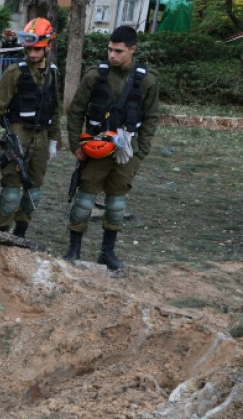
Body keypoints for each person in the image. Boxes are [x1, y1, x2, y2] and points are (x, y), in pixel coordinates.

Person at [63, 25, 160, 271]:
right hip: (94, 149)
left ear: (132, 50)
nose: (112, 55)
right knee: (84, 201)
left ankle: (107, 252)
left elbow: (150, 119)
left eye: (118, 51)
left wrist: (140, 153)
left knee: (117, 205)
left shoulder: (147, 80)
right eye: (109, 50)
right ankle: (73, 249)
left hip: (127, 152)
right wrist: (76, 145)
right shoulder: (95, 76)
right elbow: (76, 112)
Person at [0, 18, 61, 238]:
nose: (33, 54)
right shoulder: (15, 73)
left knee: (33, 194)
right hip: (18, 135)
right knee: (10, 195)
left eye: (37, 49)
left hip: (42, 138)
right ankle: (1, 234)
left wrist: (54, 140)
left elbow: (54, 108)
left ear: (48, 46)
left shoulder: (53, 73)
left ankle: (20, 235)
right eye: (30, 49)